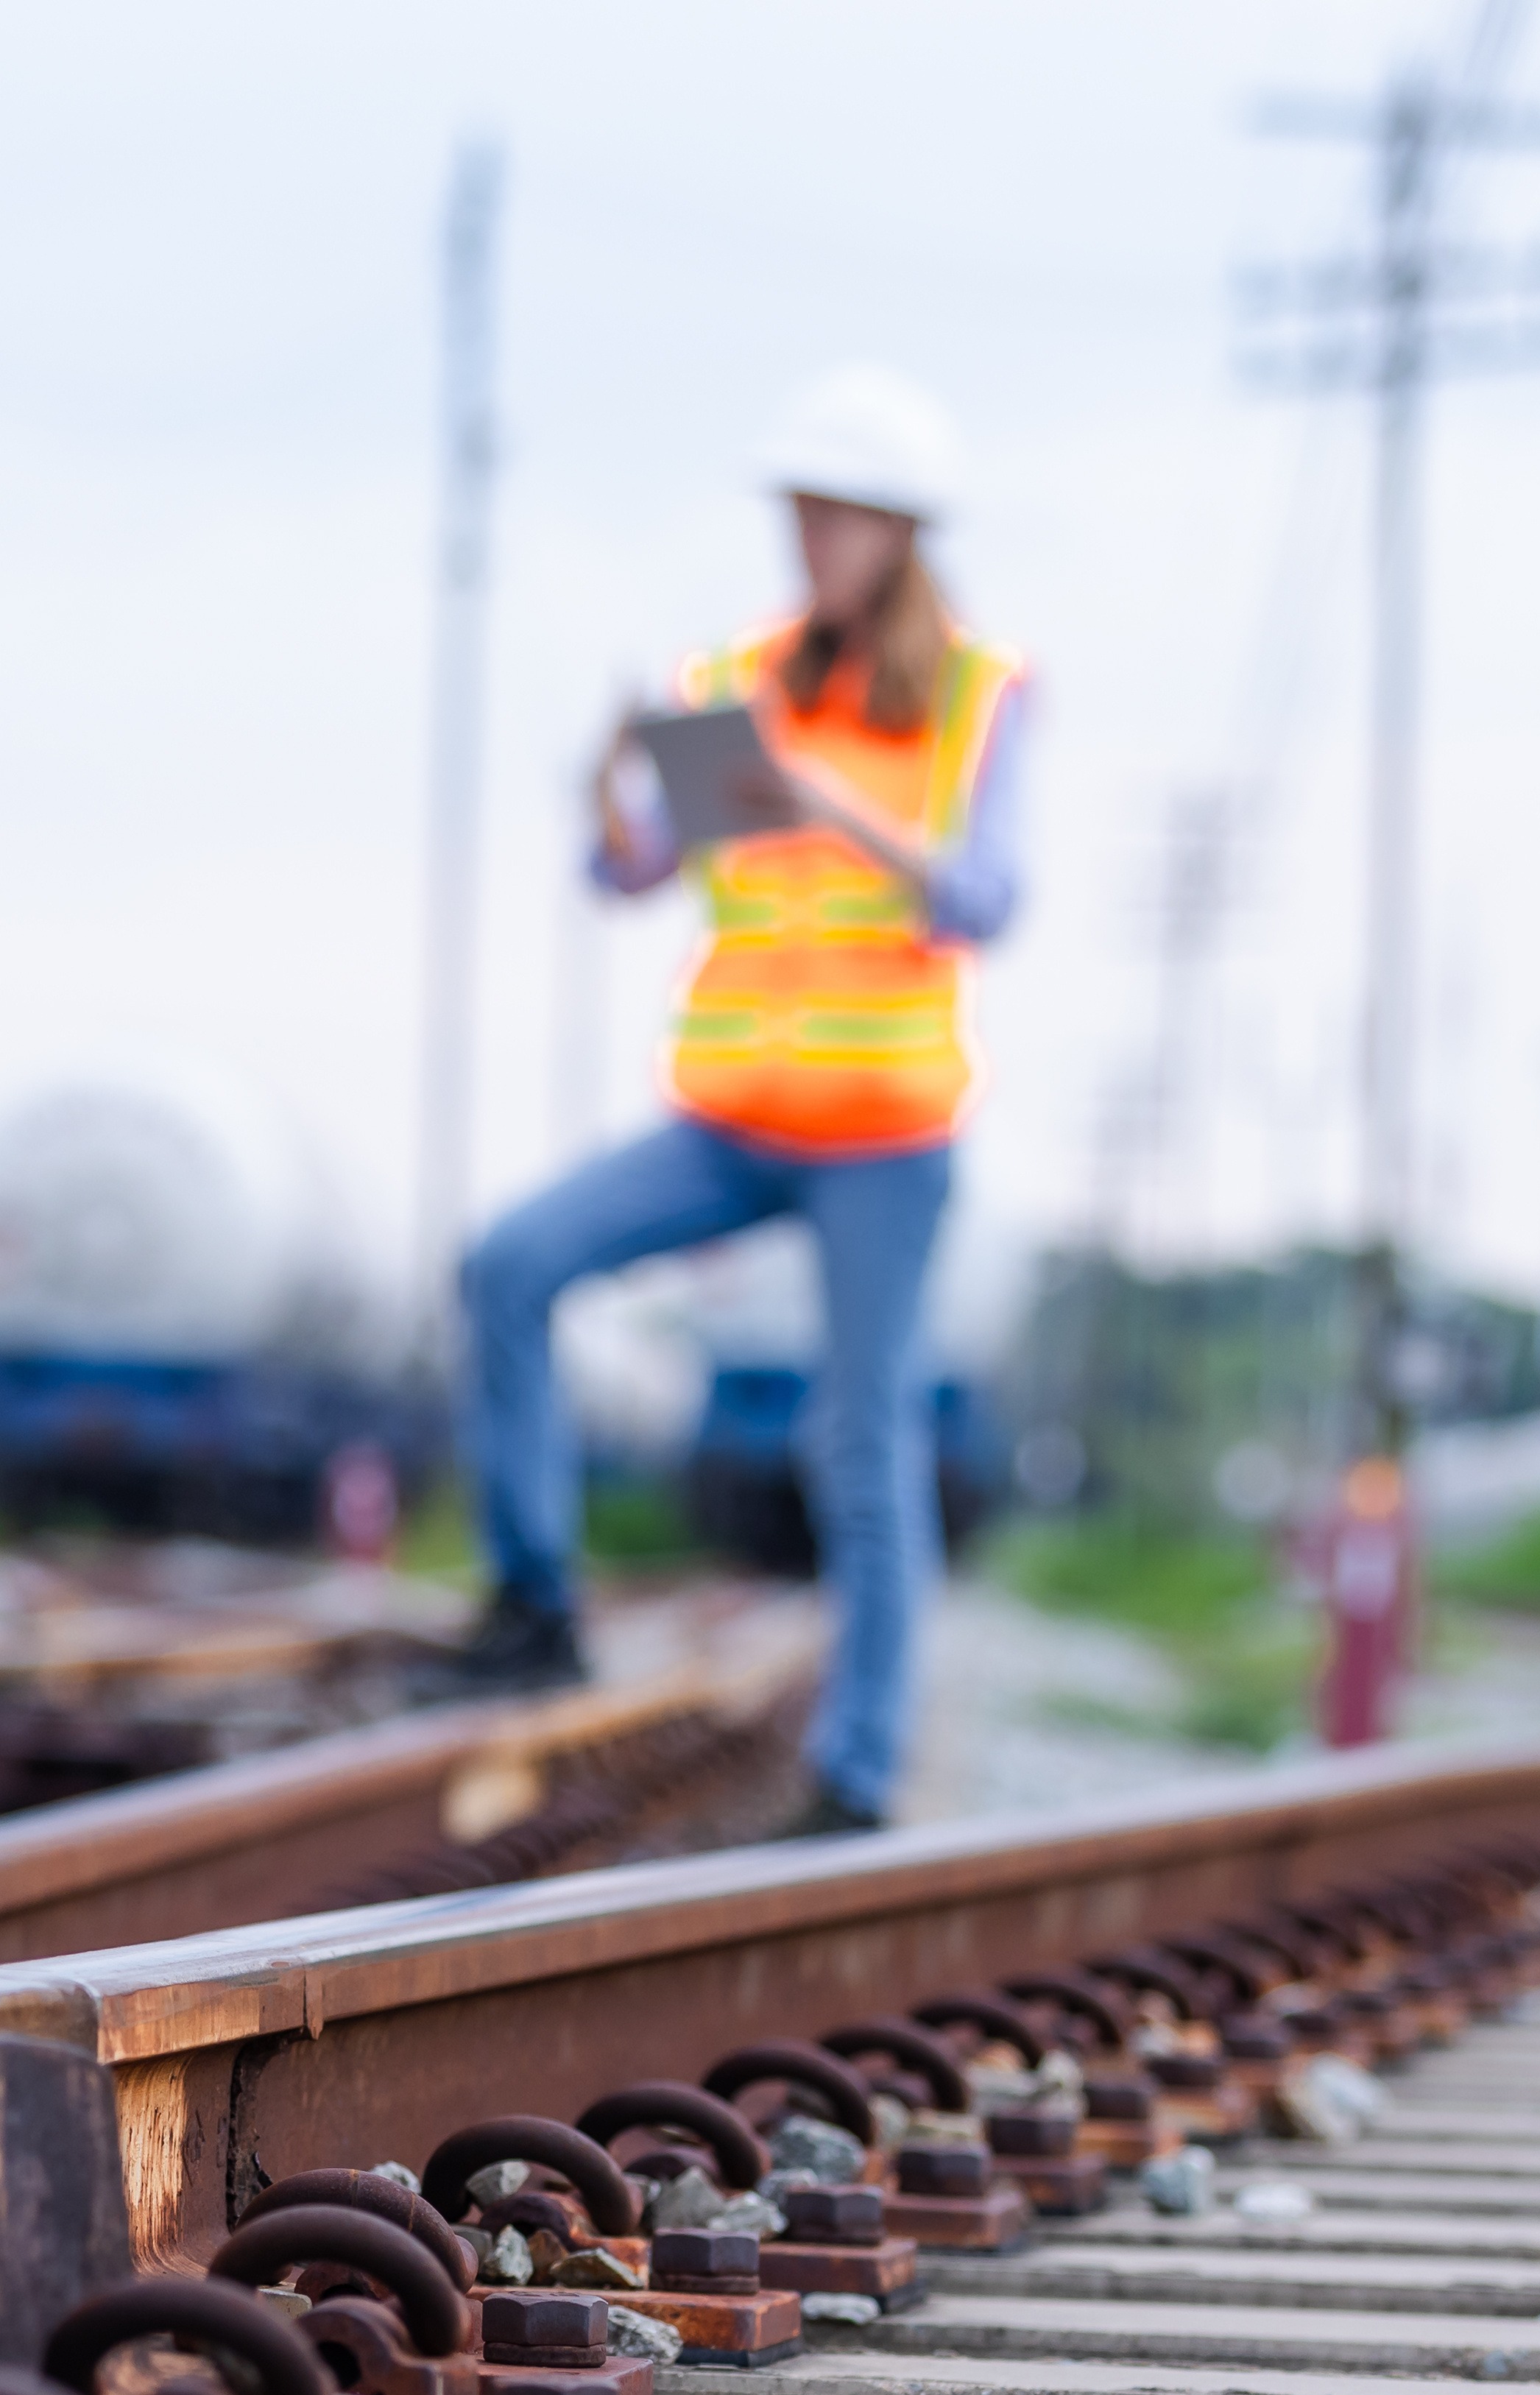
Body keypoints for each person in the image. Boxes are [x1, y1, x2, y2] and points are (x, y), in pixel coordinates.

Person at [445, 365, 1036, 1833]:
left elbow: (988, 897)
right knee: (507, 1264)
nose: (812, 540)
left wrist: (835, 807)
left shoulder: (977, 697)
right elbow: (633, 875)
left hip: (884, 1138)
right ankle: (533, 1600)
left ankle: (857, 1771)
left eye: (839, 517)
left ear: (902, 530)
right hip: (730, 1115)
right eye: (802, 514)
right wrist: (604, 787)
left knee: (860, 1433)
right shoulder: (739, 688)